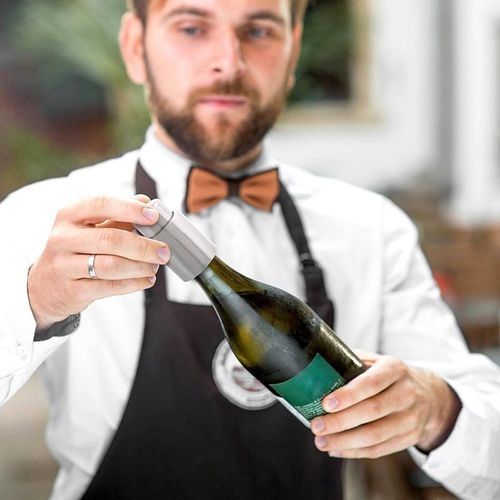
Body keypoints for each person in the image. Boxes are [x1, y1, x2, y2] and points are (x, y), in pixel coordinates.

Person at [1, 0, 499, 498]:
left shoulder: (372, 228)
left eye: (258, 31)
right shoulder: (46, 218)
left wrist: (436, 407)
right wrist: (35, 302)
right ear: (135, 47)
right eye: (192, 28)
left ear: (292, 50)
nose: (229, 61)